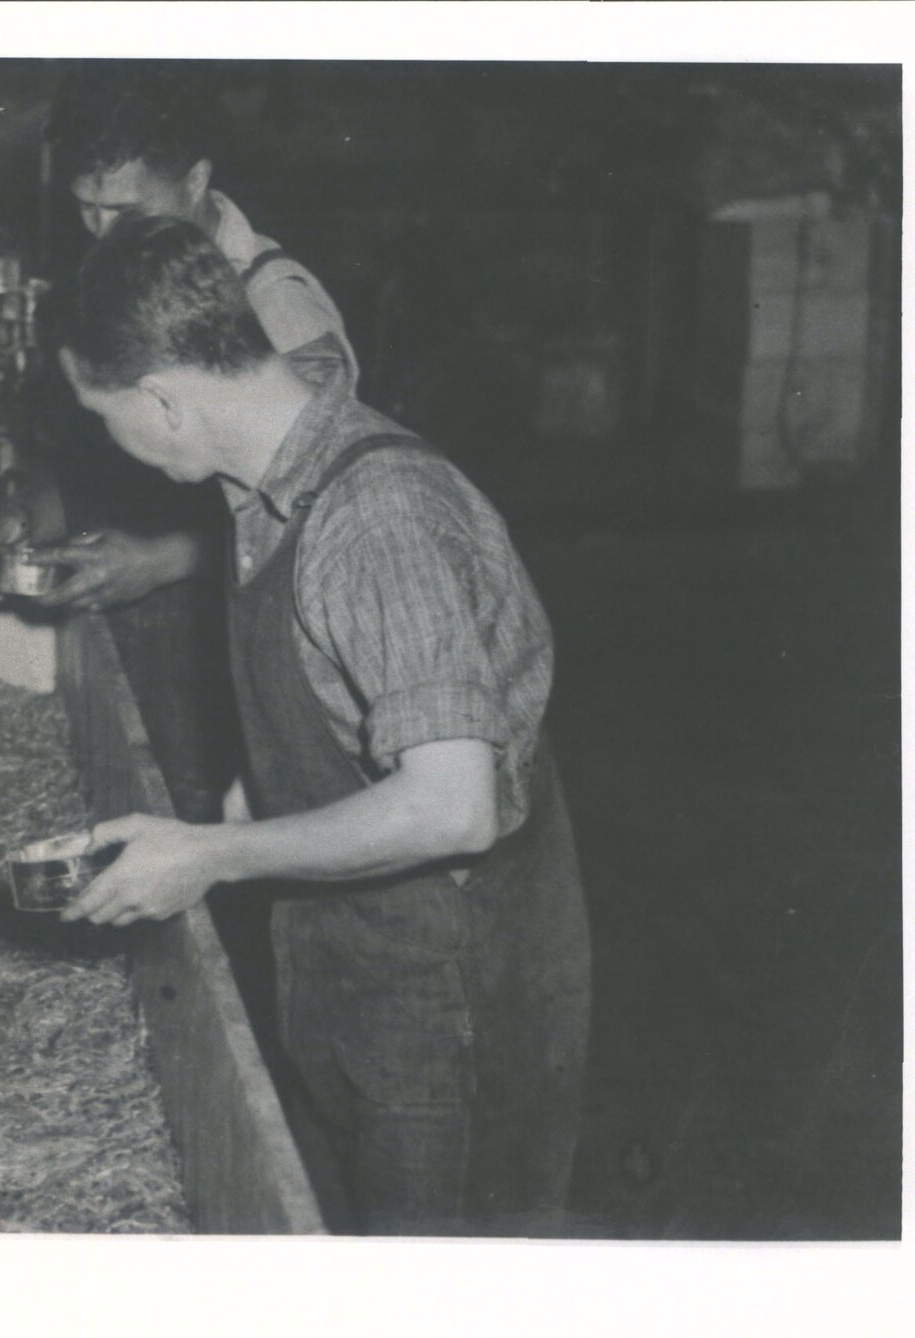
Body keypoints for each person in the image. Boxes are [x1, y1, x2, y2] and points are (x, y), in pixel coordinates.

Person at [55, 217, 591, 1237]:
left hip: (446, 977)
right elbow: (328, 697)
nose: (109, 441)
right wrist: (242, 803)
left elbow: (451, 804)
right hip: (350, 948)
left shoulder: (378, 517)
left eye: (106, 415)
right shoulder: (265, 480)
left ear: (165, 399)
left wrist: (211, 852)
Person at [0, 62, 357, 822]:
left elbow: (319, 517)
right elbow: (88, 445)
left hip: (236, 648)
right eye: (85, 209)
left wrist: (159, 559)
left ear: (197, 179)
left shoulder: (281, 312)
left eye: (124, 208)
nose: (102, 233)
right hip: (139, 623)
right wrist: (27, 510)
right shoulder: (126, 272)